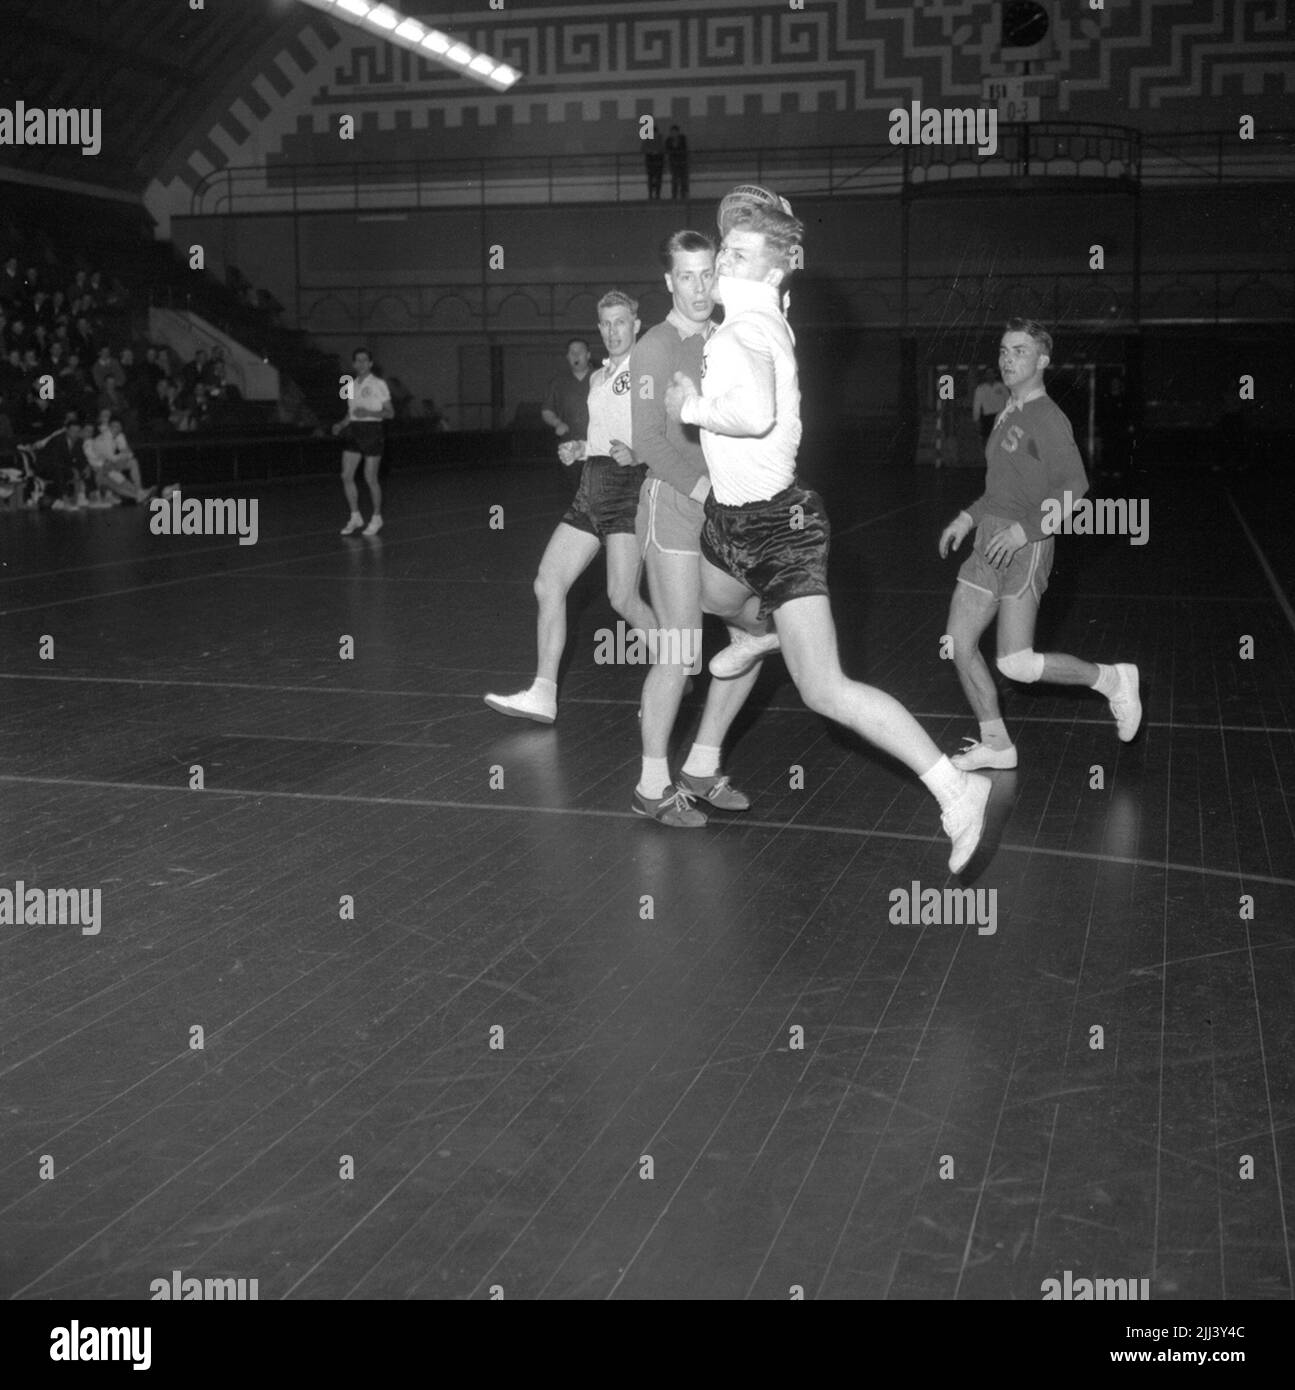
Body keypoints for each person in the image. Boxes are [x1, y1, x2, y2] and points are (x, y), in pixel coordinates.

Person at [665, 201, 991, 873]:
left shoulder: (742, 333)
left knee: (825, 691)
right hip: (729, 523)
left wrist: (686, 408)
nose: (724, 260)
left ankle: (958, 792)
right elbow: (771, 287)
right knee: (713, 604)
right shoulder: (764, 315)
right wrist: (772, 235)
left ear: (772, 270)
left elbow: (752, 415)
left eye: (739, 254)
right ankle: (767, 634)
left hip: (778, 530)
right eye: (724, 250)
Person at [937, 319, 1142, 771]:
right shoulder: (1007, 414)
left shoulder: (1048, 417)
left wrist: (1023, 532)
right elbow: (998, 490)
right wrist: (966, 518)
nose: (1008, 359)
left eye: (1020, 351)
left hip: (1025, 546)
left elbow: (1075, 487)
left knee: (1016, 663)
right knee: (958, 641)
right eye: (1004, 351)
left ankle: (1112, 680)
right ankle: (996, 743)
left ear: (1042, 360)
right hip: (988, 539)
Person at [629, 229, 761, 827]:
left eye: (708, 273)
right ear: (669, 282)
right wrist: (705, 489)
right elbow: (648, 440)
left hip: (725, 507)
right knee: (681, 651)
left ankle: (702, 766)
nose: (700, 286)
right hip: (675, 508)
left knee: (756, 631)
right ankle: (651, 785)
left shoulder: (727, 340)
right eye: (687, 275)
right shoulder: (655, 346)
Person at [484, 292, 657, 725]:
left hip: (628, 490)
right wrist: (581, 448)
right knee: (548, 583)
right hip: (590, 486)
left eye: (621, 322)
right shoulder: (599, 379)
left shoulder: (648, 372)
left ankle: (677, 667)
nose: (613, 331)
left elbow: (666, 433)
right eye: (606, 324)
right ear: (599, 329)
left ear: (636, 324)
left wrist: (638, 452)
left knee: (622, 597)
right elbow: (602, 435)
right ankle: (543, 693)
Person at [332, 346, 393, 536]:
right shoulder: (350, 385)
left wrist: (368, 412)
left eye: (365, 360)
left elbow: (390, 413)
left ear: (371, 363)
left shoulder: (379, 384)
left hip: (372, 431)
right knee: (346, 475)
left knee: (370, 478)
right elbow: (351, 413)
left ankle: (376, 517)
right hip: (354, 431)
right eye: (358, 360)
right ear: (353, 364)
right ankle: (355, 516)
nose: (361, 363)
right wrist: (341, 425)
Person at [540, 338, 592, 471]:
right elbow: (547, 410)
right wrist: (557, 423)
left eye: (580, 352)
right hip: (569, 446)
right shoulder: (557, 382)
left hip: (597, 446)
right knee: (573, 488)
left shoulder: (601, 378)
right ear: (567, 357)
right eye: (572, 353)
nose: (576, 355)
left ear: (588, 355)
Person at [972, 368, 1009, 444]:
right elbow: (977, 405)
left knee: (1001, 442)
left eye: (992, 373)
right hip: (987, 419)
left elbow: (1009, 401)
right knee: (988, 442)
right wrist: (976, 420)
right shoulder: (980, 389)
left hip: (1001, 417)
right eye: (988, 374)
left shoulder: (1002, 386)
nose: (990, 376)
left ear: (995, 375)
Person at [665, 125, 689, 199]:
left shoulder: (682, 139)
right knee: (674, 179)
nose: (674, 133)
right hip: (673, 162)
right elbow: (668, 151)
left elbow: (684, 149)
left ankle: (683, 194)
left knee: (683, 179)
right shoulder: (668, 140)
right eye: (672, 132)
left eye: (675, 132)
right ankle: (674, 195)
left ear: (678, 132)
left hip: (682, 161)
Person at [643, 128, 665, 199]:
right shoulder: (648, 140)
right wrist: (651, 151)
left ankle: (657, 194)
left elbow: (663, 149)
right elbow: (643, 148)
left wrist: (656, 151)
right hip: (651, 162)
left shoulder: (660, 140)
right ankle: (651, 194)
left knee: (658, 178)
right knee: (651, 178)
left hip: (658, 162)